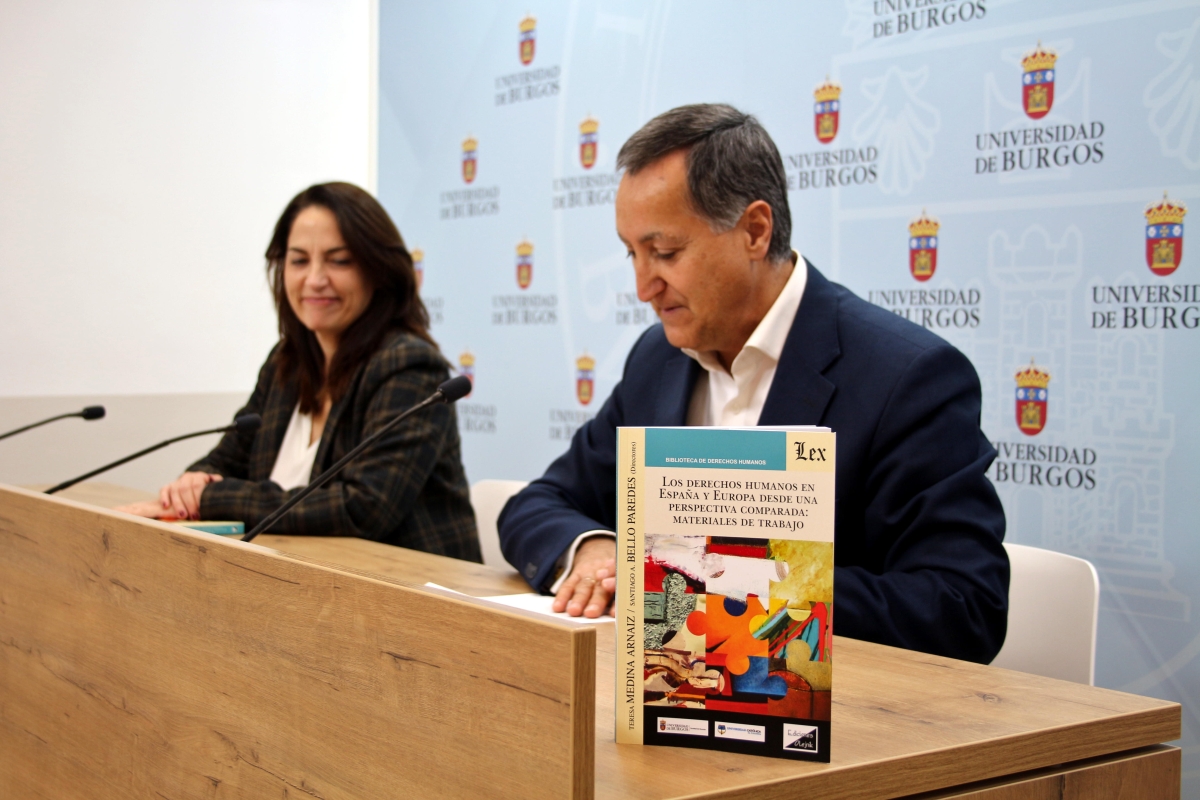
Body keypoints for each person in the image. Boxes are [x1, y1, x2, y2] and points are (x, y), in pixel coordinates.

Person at [498, 104, 1009, 663]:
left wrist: (729, 583)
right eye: (632, 254)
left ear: (755, 231)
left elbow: (962, 608)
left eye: (665, 253)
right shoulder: (656, 360)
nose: (644, 287)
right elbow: (539, 504)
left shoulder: (906, 377)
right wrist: (597, 551)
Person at [119, 182, 481, 561]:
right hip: (297, 577)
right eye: (299, 261)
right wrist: (192, 485)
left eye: (339, 261)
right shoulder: (286, 363)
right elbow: (225, 461)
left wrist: (212, 497)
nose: (315, 279)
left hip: (408, 586)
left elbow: (363, 508)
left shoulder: (409, 366)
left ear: (378, 270)